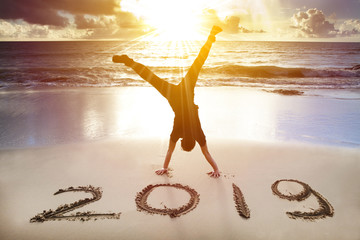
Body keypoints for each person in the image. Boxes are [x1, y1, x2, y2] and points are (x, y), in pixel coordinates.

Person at [113, 26, 222, 178]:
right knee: (151, 77)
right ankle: (128, 61)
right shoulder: (177, 133)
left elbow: (206, 153)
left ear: (191, 140)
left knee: (198, 63)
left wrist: (216, 169)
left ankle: (211, 37)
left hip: (186, 91)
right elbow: (170, 151)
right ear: (182, 140)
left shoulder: (198, 134)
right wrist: (164, 167)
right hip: (174, 97)